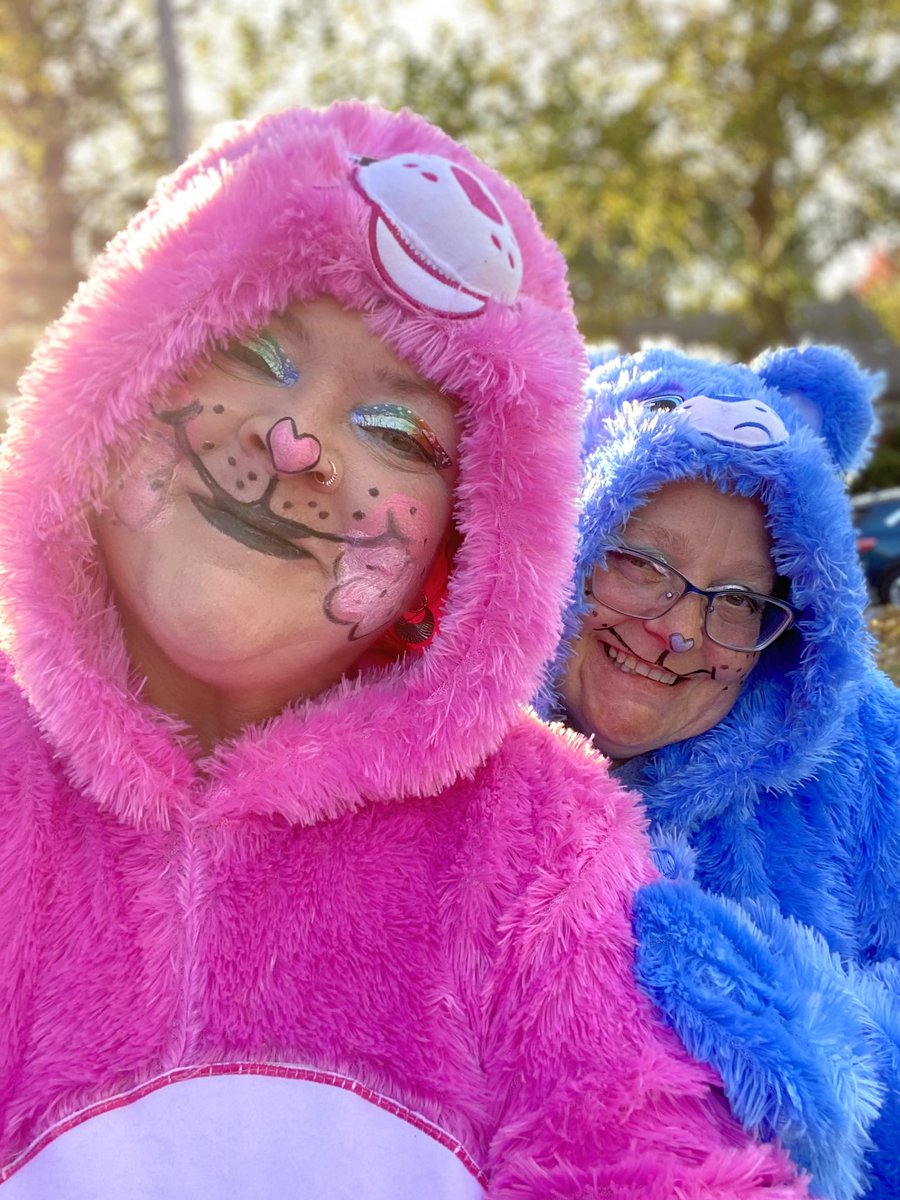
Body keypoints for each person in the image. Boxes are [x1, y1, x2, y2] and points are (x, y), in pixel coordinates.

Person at [0, 103, 812, 1197]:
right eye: (253, 351)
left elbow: (643, 1154)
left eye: (399, 434)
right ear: (115, 378)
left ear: (461, 547)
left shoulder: (535, 846)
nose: (297, 446)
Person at [541, 344, 900, 1199]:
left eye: (737, 599)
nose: (681, 632)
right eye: (640, 562)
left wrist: (789, 1030)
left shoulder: (858, 758)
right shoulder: (414, 760)